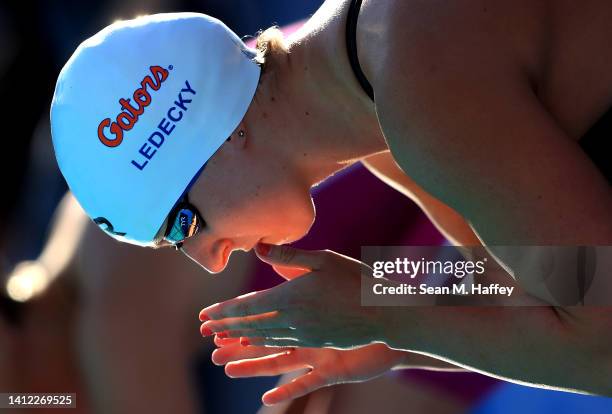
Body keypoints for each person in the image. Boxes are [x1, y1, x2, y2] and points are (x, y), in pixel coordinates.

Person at [49, 0, 612, 407]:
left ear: (218, 133)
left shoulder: (416, 81)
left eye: (183, 226)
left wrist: (396, 324)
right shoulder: (378, 97)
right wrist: (382, 315)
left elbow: (603, 343)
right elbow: (539, 282)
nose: (211, 261)